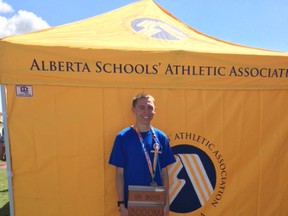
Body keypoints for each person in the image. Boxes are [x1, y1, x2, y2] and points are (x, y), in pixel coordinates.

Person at [109, 93, 176, 216]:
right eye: (141, 108)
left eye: (150, 108)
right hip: (132, 205)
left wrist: (167, 203)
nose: (146, 112)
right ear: (133, 110)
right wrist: (121, 204)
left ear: (155, 110)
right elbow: (119, 174)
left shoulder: (161, 137)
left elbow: (165, 173)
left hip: (157, 203)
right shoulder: (122, 137)